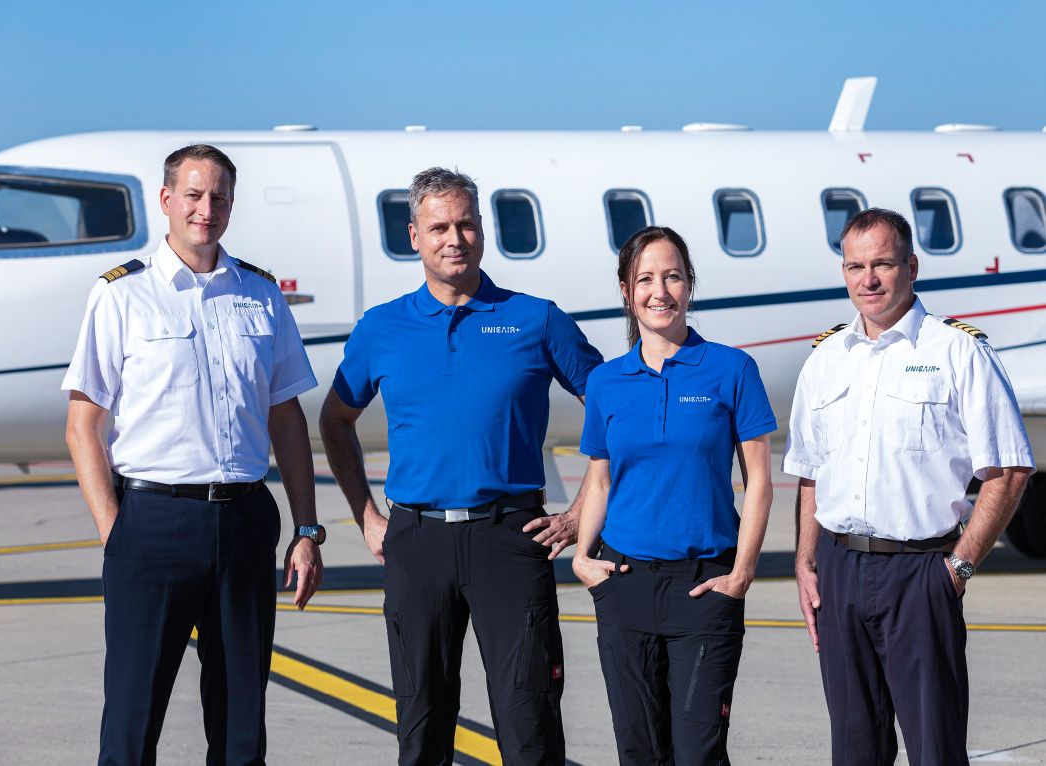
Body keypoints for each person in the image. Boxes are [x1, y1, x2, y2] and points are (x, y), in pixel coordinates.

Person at [319, 167, 602, 765]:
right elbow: (335, 421)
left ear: (482, 231)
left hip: (510, 538)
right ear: (413, 237)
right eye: (439, 226)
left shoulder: (535, 319)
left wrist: (580, 513)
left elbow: (616, 407)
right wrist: (367, 516)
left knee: (530, 728)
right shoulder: (382, 328)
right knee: (421, 731)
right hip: (416, 542)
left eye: (466, 224)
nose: (455, 238)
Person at [63, 144, 325, 766]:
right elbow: (83, 425)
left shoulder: (260, 294)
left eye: (219, 197)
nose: (206, 209)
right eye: (193, 194)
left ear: (231, 206)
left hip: (243, 520)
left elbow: (286, 419)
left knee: (240, 726)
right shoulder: (122, 294)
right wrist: (115, 531)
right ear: (166, 201)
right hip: (153, 523)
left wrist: (306, 528)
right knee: (132, 720)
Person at [784, 208, 1035, 766]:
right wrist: (806, 562)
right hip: (840, 570)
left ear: (912, 267)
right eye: (855, 266)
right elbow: (809, 473)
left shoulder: (957, 350)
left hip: (921, 573)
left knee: (934, 749)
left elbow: (1010, 469)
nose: (867, 280)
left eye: (882, 264)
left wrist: (959, 567)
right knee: (853, 749)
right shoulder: (825, 360)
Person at [571, 225, 776, 765]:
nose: (659, 291)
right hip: (624, 584)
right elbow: (600, 477)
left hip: (705, 587)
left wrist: (743, 572)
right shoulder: (607, 382)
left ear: (689, 286)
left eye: (672, 277)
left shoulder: (732, 369)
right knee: (639, 752)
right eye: (645, 279)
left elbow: (759, 479)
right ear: (625, 290)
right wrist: (581, 558)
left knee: (697, 753)